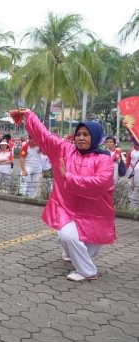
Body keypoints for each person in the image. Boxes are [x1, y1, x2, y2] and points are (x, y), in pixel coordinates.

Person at [20, 109, 115, 282]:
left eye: (86, 134)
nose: (81, 138)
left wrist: (68, 177)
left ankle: (73, 254)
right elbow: (44, 136)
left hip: (94, 211)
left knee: (90, 246)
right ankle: (88, 271)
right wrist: (29, 115)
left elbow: (100, 184)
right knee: (66, 235)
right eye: (78, 134)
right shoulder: (64, 149)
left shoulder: (104, 159)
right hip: (66, 205)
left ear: (95, 137)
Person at [126, 139, 139, 209]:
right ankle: (130, 198)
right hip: (131, 169)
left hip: (137, 170)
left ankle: (135, 199)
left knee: (137, 184)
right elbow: (128, 160)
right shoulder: (131, 151)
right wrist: (126, 168)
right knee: (130, 184)